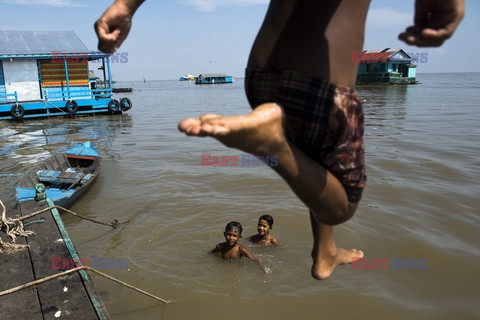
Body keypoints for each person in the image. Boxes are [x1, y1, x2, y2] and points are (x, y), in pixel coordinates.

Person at [95, 0, 465, 280]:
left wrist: (128, 4)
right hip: (321, 84)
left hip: (262, 75)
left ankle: (325, 251)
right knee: (341, 206)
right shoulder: (241, 245)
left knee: (315, 168)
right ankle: (271, 143)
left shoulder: (256, 245)